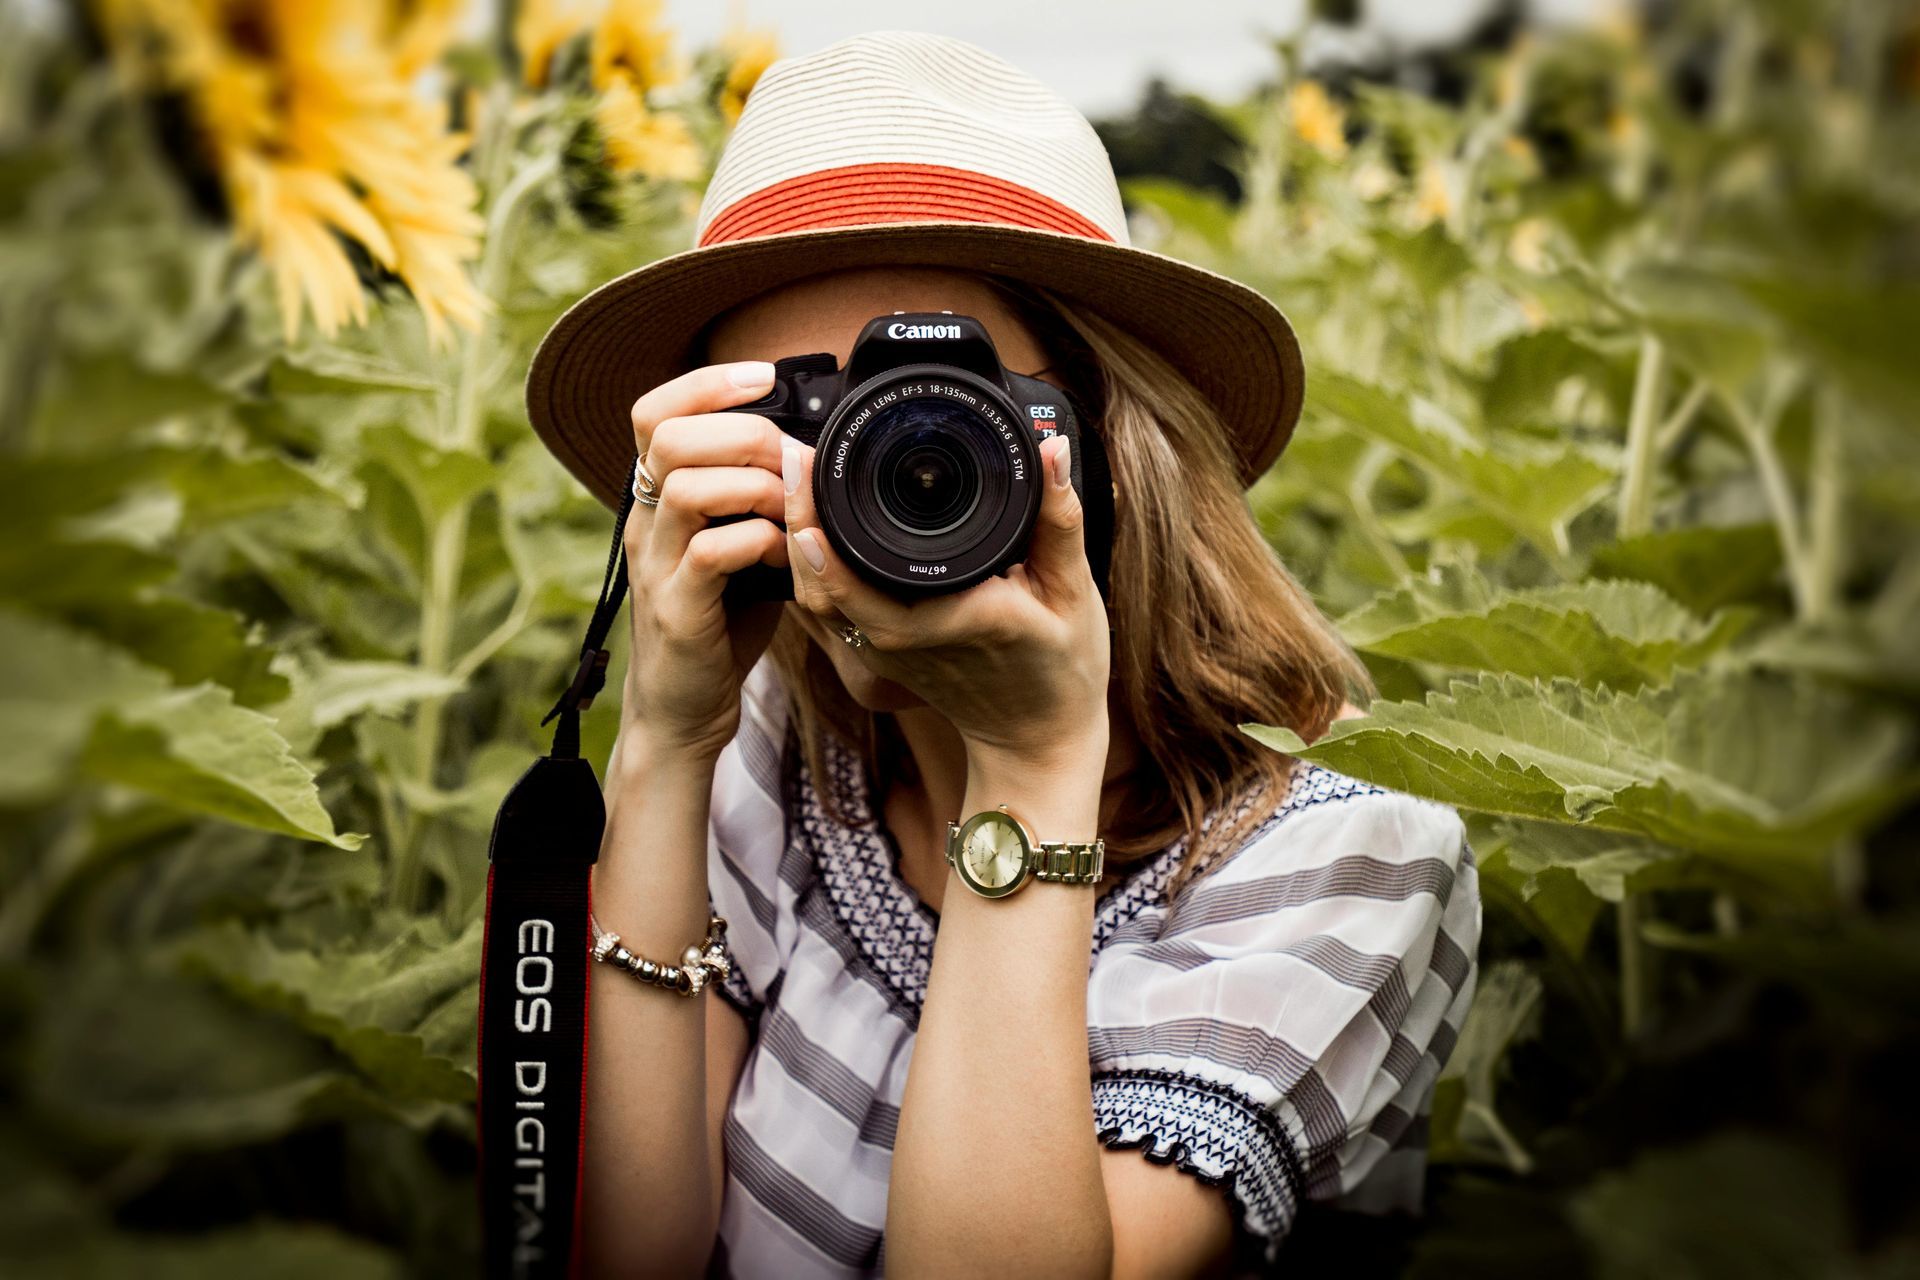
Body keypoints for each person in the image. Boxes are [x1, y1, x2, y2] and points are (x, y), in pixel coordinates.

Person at [523, 30, 1481, 1280]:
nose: (877, 474)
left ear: (1111, 443)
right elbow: (620, 1255)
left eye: (938, 403)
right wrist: (663, 737)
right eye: (806, 415)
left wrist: (1031, 761)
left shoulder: (1358, 860)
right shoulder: (780, 739)